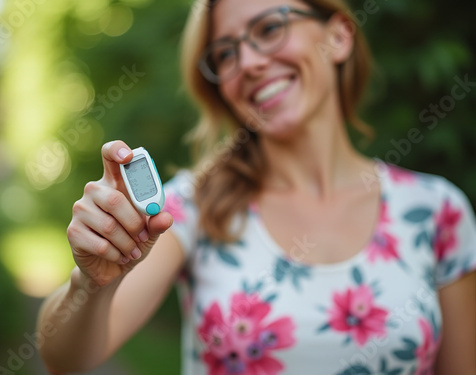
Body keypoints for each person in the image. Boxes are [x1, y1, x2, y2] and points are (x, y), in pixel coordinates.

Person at [37, 0, 476, 374]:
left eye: (269, 28)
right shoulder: (190, 207)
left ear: (339, 36)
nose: (247, 63)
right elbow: (66, 358)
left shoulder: (437, 211)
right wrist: (90, 286)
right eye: (225, 54)